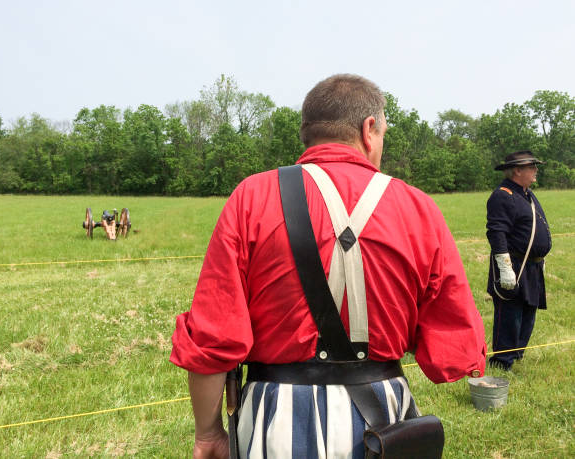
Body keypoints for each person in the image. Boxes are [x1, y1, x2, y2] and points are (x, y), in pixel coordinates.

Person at [170, 74, 486, 458]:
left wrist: (208, 433)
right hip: (383, 422)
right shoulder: (417, 207)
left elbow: (212, 336)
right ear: (369, 129)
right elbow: (453, 344)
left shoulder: (251, 197)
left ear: (307, 133)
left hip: (274, 419)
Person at [486, 150, 552, 371]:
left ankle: (516, 356)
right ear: (517, 170)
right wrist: (505, 268)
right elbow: (497, 233)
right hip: (513, 264)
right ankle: (502, 362)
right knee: (510, 315)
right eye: (531, 166)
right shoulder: (502, 195)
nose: (536, 170)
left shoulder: (526, 194)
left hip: (532, 266)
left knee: (527, 313)